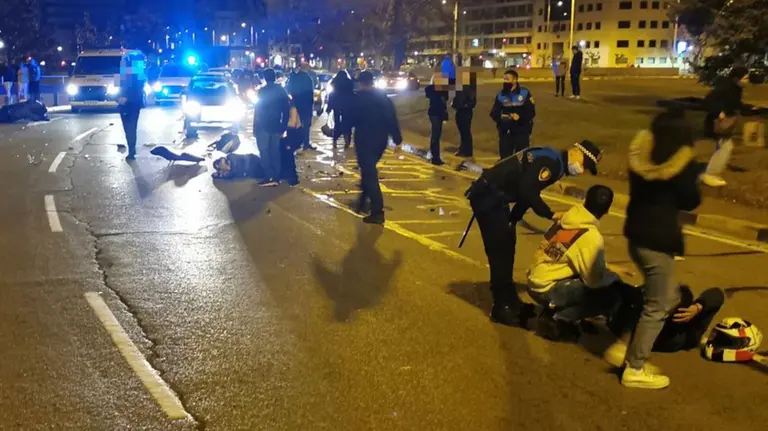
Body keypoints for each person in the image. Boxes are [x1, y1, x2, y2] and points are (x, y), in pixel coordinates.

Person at [464, 140, 603, 326]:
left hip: (494, 197)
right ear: (576, 151)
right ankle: (501, 307)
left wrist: (514, 218)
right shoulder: (552, 163)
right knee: (500, 252)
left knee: (507, 246)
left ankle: (511, 301)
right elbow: (527, 191)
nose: (582, 169)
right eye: (584, 163)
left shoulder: (554, 161)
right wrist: (550, 214)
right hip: (488, 196)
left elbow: (527, 193)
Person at [621, 108, 704, 389]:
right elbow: (691, 201)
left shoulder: (641, 156)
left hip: (636, 237)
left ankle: (628, 349)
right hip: (659, 242)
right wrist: (695, 176)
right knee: (659, 304)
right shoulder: (680, 165)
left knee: (663, 298)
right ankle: (634, 366)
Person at [527, 185, 625, 339]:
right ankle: (559, 318)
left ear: (585, 200)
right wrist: (613, 277)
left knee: (595, 279)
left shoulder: (568, 218)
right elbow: (594, 280)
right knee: (612, 295)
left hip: (535, 280)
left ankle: (554, 309)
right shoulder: (590, 236)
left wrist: (607, 267)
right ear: (607, 210)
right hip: (548, 289)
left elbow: (571, 254)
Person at [605, 286, 725, 364]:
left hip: (625, 315)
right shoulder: (688, 336)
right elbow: (717, 294)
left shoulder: (642, 323)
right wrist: (698, 307)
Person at [347, 71, 403, 225]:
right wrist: (397, 138)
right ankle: (362, 202)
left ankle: (377, 212)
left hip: (365, 141)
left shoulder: (360, 99)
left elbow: (350, 119)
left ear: (362, 83)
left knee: (370, 174)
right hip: (380, 141)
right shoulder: (383, 98)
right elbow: (391, 118)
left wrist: (338, 131)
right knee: (368, 170)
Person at [699, 66, 751, 188]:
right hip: (717, 122)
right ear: (736, 78)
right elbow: (707, 101)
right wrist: (718, 112)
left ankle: (711, 173)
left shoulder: (736, 89)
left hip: (725, 123)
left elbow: (735, 104)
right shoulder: (726, 88)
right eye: (745, 78)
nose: (747, 80)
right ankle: (710, 174)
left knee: (723, 147)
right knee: (726, 147)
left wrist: (749, 109)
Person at [253, 68, 291, 187]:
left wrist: (255, 127)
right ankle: (276, 176)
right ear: (274, 77)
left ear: (265, 77)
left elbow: (257, 110)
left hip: (263, 125)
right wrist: (283, 126)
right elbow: (286, 110)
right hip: (276, 125)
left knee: (264, 152)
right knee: (275, 151)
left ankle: (268, 175)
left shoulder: (262, 92)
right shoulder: (281, 91)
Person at [490, 69, 535, 159]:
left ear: (515, 80)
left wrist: (520, 117)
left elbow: (531, 112)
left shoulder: (525, 93)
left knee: (521, 158)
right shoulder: (500, 95)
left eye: (507, 79)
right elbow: (494, 113)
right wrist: (500, 117)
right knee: (505, 159)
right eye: (504, 79)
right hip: (506, 132)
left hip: (521, 131)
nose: (505, 81)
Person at [117, 55, 146, 161]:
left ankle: (132, 150)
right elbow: (117, 88)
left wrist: (126, 98)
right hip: (124, 105)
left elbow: (139, 91)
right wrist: (118, 98)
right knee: (128, 128)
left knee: (131, 127)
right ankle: (131, 148)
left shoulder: (138, 76)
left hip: (132, 105)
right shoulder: (121, 74)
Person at [286, 65, 316, 151]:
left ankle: (294, 144)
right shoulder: (308, 78)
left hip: (295, 105)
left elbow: (289, 90)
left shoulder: (293, 78)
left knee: (294, 125)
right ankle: (305, 144)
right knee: (305, 126)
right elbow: (310, 94)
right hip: (306, 106)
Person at [425, 74, 449, 165]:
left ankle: (435, 155)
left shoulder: (443, 89)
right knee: (435, 134)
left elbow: (445, 98)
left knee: (437, 134)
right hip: (434, 113)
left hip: (440, 113)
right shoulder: (431, 89)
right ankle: (435, 156)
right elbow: (430, 93)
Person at [327, 70, 354, 148]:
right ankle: (347, 140)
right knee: (347, 123)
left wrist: (329, 107)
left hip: (337, 105)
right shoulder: (349, 83)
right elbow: (352, 94)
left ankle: (335, 140)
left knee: (337, 123)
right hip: (347, 105)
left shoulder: (334, 82)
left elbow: (331, 95)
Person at [452, 72, 477, 158]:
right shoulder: (460, 87)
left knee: (466, 131)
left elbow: (472, 102)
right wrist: (454, 104)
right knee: (462, 131)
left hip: (465, 112)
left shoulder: (469, 88)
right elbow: (456, 98)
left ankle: (467, 151)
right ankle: (463, 149)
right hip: (459, 111)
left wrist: (464, 106)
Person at [280, 101, 302, 186]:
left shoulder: (292, 109)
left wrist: (280, 122)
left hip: (295, 135)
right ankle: (288, 175)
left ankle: (292, 177)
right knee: (285, 153)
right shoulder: (286, 109)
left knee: (288, 154)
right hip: (291, 134)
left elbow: (292, 123)